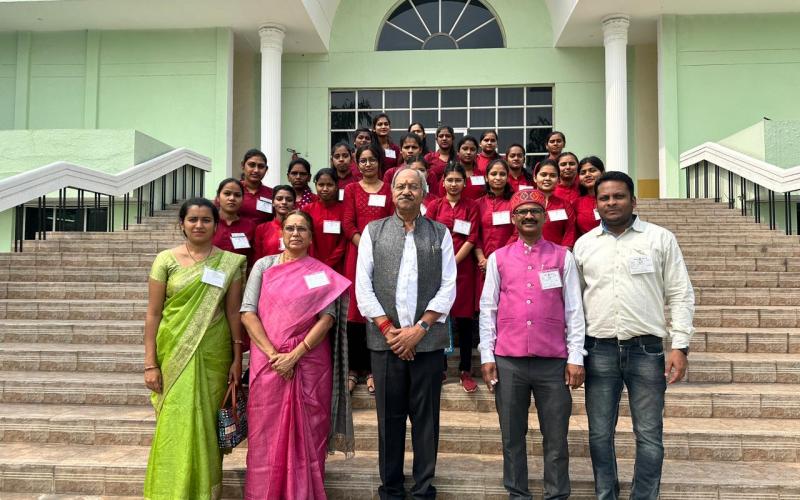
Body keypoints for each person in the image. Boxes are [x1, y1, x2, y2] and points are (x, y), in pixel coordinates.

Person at [573, 171, 695, 500]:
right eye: (604, 198)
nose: (611, 202)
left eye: (618, 196)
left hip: (647, 350)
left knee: (649, 434)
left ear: (633, 200)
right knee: (599, 434)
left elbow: (681, 294)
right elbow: (574, 305)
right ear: (596, 204)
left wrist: (680, 345)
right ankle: (606, 495)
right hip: (598, 351)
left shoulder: (659, 239)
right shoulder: (584, 245)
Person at [355, 167, 456, 500]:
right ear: (392, 191)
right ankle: (392, 489)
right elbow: (363, 287)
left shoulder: (440, 233)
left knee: (427, 422)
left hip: (426, 345)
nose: (407, 191)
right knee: (389, 421)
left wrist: (419, 329)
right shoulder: (374, 231)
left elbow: (448, 287)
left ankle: (424, 489)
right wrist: (391, 332)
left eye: (414, 186)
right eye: (401, 186)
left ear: (424, 192)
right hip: (386, 345)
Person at [478, 189, 586, 500]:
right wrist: (487, 354)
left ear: (544, 215)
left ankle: (556, 494)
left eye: (534, 211)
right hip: (508, 360)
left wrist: (575, 356)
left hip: (552, 360)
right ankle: (517, 493)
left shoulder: (563, 256)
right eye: (522, 212)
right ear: (513, 218)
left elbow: (574, 309)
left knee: (556, 436)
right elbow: (488, 309)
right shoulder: (499, 258)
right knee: (512, 435)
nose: (528, 216)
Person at [241, 210, 354, 499]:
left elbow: (326, 320)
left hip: (309, 365)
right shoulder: (264, 266)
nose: (295, 233)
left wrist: (295, 355)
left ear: (311, 236)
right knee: (266, 433)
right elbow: (248, 313)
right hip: (267, 364)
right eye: (289, 228)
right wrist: (274, 354)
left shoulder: (320, 273)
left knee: (309, 432)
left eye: (302, 229)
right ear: (281, 233)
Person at [143, 198, 246, 499]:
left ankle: (203, 492)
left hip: (214, 355)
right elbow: (153, 313)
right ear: (182, 224)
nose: (199, 225)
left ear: (216, 224)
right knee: (173, 422)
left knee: (205, 426)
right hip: (173, 352)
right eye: (193, 220)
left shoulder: (230, 262)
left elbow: (233, 313)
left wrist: (238, 358)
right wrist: (150, 362)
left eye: (205, 220)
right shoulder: (166, 260)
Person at [342, 143, 395, 394]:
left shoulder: (389, 189)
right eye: (362, 160)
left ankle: (375, 368)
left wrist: (378, 248)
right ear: (357, 163)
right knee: (355, 312)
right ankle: (355, 369)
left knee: (379, 307)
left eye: (372, 160)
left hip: (384, 255)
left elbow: (393, 220)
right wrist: (364, 246)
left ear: (380, 162)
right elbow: (348, 223)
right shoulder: (351, 189)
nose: (367, 165)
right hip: (357, 254)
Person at [426, 164, 480, 392]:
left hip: (464, 270)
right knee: (440, 317)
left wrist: (453, 263)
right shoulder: (434, 206)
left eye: (458, 180)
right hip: (437, 270)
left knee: (465, 321)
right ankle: (440, 367)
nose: (454, 184)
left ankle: (465, 370)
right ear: (443, 182)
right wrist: (441, 265)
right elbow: (425, 233)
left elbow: (472, 237)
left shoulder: (472, 206)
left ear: (464, 183)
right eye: (450, 180)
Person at [474, 159, 515, 305]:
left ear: (507, 177)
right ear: (486, 177)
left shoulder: (514, 203)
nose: (498, 178)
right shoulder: (478, 203)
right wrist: (482, 259)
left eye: (502, 174)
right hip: (482, 264)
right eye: (494, 174)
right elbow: (475, 234)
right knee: (485, 305)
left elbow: (516, 233)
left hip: (509, 260)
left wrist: (497, 258)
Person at [307, 168, 347, 273]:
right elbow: (306, 239)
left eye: (329, 185)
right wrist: (314, 262)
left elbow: (344, 241)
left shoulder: (344, 209)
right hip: (311, 264)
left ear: (336, 186)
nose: (325, 189)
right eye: (321, 185)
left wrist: (329, 263)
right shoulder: (307, 210)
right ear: (316, 186)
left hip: (338, 265)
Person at [534, 160, 577, 248]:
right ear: (535, 178)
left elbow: (570, 231)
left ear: (558, 180)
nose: (547, 178)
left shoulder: (564, 205)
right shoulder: (526, 203)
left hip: (557, 255)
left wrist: (565, 251)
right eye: (543, 175)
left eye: (552, 175)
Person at [213, 177, 256, 261]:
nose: (232, 198)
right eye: (227, 193)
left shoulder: (250, 226)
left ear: (243, 199)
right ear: (218, 197)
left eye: (237, 195)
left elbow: (252, 258)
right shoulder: (208, 223)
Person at [252, 185, 296, 263]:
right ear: (272, 202)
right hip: (268, 272)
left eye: (289, 200)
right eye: (279, 199)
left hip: (294, 272)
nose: (284, 202)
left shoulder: (300, 228)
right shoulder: (262, 228)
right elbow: (257, 258)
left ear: (294, 204)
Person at [236, 149, 274, 225]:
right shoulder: (232, 191)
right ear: (243, 165)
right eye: (252, 165)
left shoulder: (273, 194)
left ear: (266, 169)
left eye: (261, 166)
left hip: (264, 236)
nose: (256, 170)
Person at [573, 156, 605, 236]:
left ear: (603, 173)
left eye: (592, 170)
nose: (587, 175)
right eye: (583, 173)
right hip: (586, 245)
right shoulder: (577, 203)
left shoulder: (612, 199)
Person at [456, 135, 487, 200]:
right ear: (458, 152)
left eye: (472, 149)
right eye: (465, 149)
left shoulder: (482, 175)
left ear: (477, 153)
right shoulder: (449, 174)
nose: (468, 152)